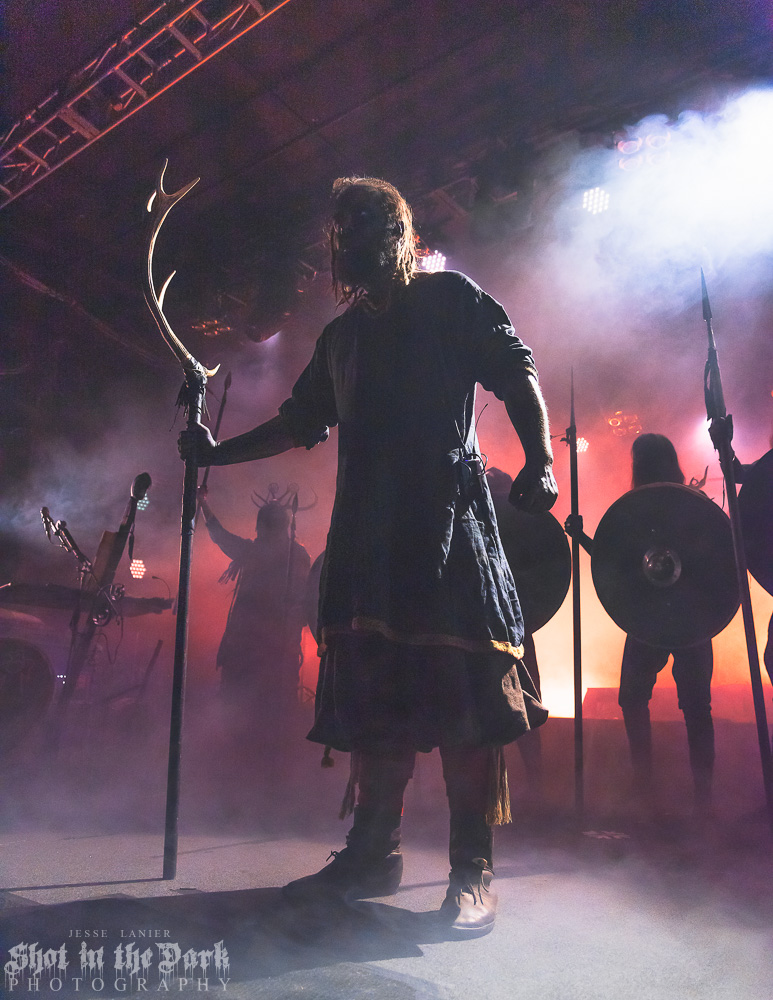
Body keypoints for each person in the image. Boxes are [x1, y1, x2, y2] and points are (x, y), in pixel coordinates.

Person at [180, 176, 557, 935]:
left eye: (364, 225)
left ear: (399, 235)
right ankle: (371, 851)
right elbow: (298, 422)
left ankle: (470, 867)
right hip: (369, 539)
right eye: (339, 229)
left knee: (461, 699)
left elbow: (515, 370)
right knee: (376, 698)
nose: (348, 239)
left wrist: (541, 459)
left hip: (446, 526)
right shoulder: (342, 338)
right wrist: (215, 455)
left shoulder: (451, 300)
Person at [564, 433, 715, 820]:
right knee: (688, 705)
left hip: (669, 616)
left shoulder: (669, 507)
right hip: (677, 618)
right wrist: (582, 536)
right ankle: (695, 794)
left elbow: (616, 558)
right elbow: (618, 558)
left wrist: (583, 536)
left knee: (649, 700)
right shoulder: (675, 505)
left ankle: (659, 785)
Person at [197, 485, 311, 809]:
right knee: (264, 726)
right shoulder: (295, 556)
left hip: (260, 655)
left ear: (262, 526)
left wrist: (201, 503)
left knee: (252, 725)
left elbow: (221, 537)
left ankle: (252, 795)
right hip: (268, 655)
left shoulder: (273, 555)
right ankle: (263, 795)